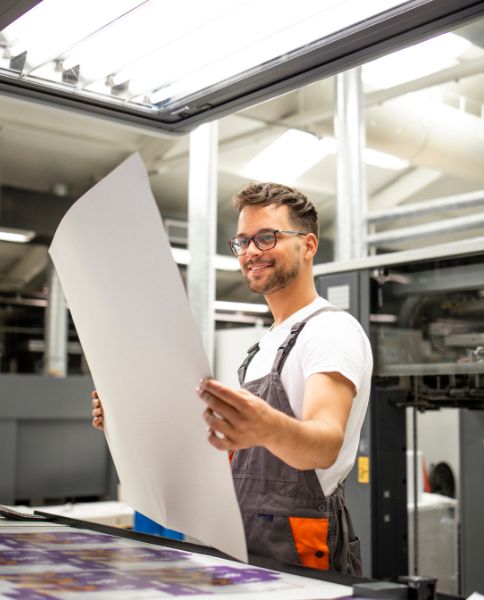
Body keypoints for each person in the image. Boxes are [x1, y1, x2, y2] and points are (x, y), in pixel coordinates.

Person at [91, 182, 372, 574]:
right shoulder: (263, 348)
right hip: (243, 539)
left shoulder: (330, 331)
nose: (251, 251)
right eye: (242, 242)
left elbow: (325, 443)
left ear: (308, 246)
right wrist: (126, 423)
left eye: (267, 237)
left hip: (298, 543)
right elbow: (230, 458)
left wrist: (266, 427)